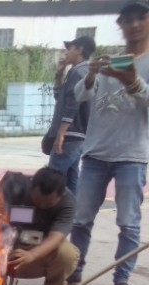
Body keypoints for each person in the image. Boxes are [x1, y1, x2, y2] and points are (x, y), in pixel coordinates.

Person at [68, 0, 149, 285]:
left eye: (141, 18)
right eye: (127, 20)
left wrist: (133, 83)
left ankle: (122, 277)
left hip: (131, 156)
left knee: (128, 222)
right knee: (81, 219)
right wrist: (90, 75)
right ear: (121, 26)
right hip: (95, 155)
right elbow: (81, 96)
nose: (135, 25)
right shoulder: (110, 62)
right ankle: (74, 267)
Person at [1, 168, 80, 285]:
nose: (42, 206)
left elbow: (56, 236)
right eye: (37, 200)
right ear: (31, 186)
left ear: (61, 196)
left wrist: (32, 255)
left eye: (48, 203)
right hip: (9, 242)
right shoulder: (16, 186)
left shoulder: (68, 203)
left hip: (40, 248)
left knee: (67, 253)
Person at [41, 35, 95, 195]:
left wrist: (61, 134)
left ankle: (50, 216)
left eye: (69, 49)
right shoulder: (80, 72)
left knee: (52, 178)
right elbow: (61, 98)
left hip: (70, 135)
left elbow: (72, 105)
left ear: (79, 50)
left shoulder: (78, 73)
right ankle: (72, 216)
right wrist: (59, 74)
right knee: (71, 179)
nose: (66, 53)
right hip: (78, 136)